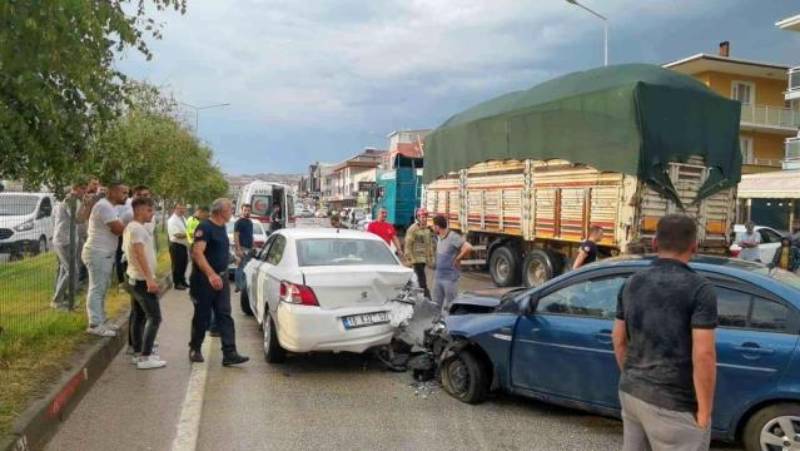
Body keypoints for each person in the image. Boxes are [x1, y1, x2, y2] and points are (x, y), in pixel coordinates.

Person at [612, 214, 718, 451]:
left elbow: (618, 340)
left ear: (654, 243)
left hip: (632, 394)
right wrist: (704, 412)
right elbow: (704, 355)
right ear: (695, 246)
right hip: (675, 405)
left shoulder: (631, 283)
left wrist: (632, 376)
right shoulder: (700, 289)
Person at [188, 198, 249, 366]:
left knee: (224, 315)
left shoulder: (222, 227)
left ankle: (229, 353)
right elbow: (197, 253)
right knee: (202, 316)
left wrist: (231, 258)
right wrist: (211, 275)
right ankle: (195, 348)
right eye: (230, 209)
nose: (232, 212)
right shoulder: (205, 227)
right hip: (204, 280)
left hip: (221, 279)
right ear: (220, 211)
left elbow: (218, 250)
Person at [123, 197, 167, 370]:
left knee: (140, 316)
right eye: (149, 210)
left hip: (135, 278)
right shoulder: (137, 229)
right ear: (140, 210)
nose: (152, 213)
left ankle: (138, 352)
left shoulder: (132, 228)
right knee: (155, 317)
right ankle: (145, 356)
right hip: (141, 280)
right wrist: (150, 279)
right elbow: (139, 254)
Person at [81, 182, 129, 337]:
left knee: (102, 288)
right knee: (97, 288)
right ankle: (95, 324)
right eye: (123, 192)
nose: (126, 196)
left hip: (104, 253)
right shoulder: (104, 206)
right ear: (113, 192)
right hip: (98, 252)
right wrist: (134, 227)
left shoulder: (110, 207)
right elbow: (118, 229)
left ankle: (102, 319)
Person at [51, 180, 86, 310]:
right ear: (75, 188)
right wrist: (85, 205)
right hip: (63, 241)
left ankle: (65, 299)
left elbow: (80, 219)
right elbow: (78, 219)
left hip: (71, 239)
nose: (84, 192)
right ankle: (57, 300)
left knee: (65, 270)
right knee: (73, 271)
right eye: (82, 188)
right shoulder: (70, 200)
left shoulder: (75, 200)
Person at [431, 214, 473, 310]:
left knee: (451, 306)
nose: (432, 228)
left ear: (437, 227)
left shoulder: (453, 236)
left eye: (433, 226)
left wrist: (458, 259)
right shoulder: (439, 237)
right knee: (435, 306)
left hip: (449, 279)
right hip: (438, 278)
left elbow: (468, 247)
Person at [404, 208, 434, 299]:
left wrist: (430, 259)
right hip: (415, 259)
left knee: (415, 279)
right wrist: (410, 259)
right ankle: (428, 299)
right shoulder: (413, 229)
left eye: (425, 216)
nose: (424, 219)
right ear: (418, 217)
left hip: (423, 259)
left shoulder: (427, 230)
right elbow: (408, 245)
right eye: (422, 216)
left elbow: (429, 245)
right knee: (422, 281)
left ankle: (410, 295)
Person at [168, 204, 190, 290]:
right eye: (179, 208)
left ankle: (182, 281)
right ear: (175, 209)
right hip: (176, 245)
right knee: (177, 265)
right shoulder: (172, 220)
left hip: (183, 245)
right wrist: (189, 234)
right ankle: (177, 283)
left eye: (183, 208)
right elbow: (177, 235)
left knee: (183, 264)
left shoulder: (183, 218)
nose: (181, 210)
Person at [233, 204, 254, 294]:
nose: (247, 212)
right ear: (242, 210)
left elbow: (250, 235)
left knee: (246, 267)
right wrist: (238, 249)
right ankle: (238, 286)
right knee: (240, 267)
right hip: (242, 247)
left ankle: (243, 286)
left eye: (248, 210)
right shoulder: (239, 222)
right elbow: (236, 235)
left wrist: (253, 246)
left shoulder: (250, 222)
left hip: (249, 248)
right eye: (245, 210)